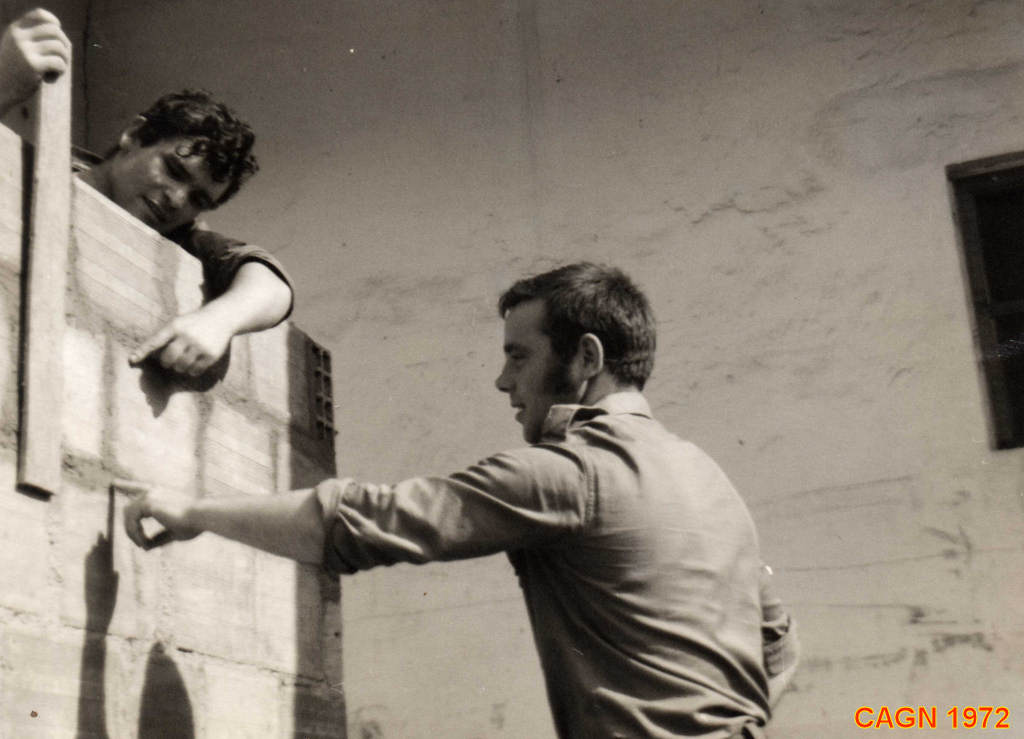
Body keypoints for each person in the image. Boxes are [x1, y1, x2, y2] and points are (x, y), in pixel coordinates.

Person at [123, 262, 798, 738]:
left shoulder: (571, 475)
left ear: (587, 359)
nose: (503, 380)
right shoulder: (710, 481)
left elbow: (364, 520)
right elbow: (775, 644)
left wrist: (194, 512)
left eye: (519, 356)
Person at [0, 9, 293, 377]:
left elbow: (272, 283)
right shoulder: (36, 166)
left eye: (198, 200)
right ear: (134, 136)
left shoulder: (180, 238)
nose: (177, 200)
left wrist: (219, 320)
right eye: (173, 170)